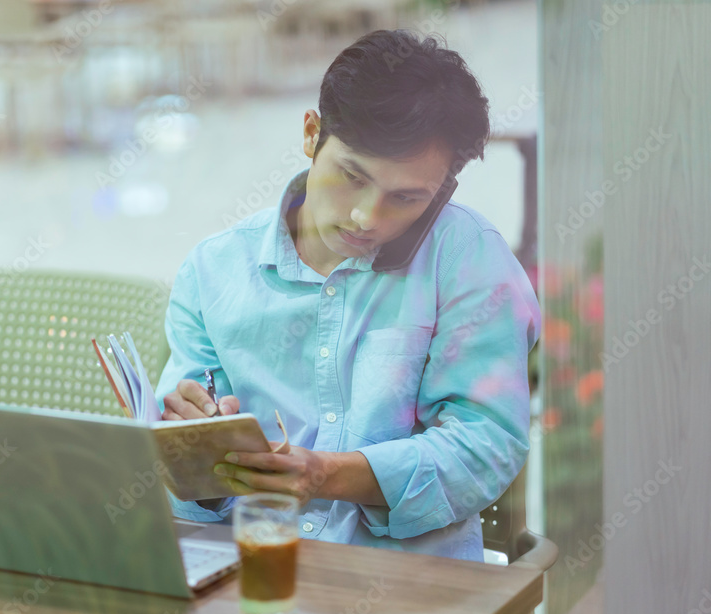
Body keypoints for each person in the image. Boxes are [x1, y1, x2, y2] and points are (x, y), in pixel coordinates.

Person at [154, 29, 541, 562]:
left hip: (402, 592)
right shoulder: (214, 270)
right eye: (352, 176)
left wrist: (328, 476)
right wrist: (192, 448)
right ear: (312, 134)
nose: (366, 217)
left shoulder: (467, 259)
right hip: (250, 571)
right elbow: (183, 481)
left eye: (406, 198)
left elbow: (486, 448)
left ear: (444, 189)